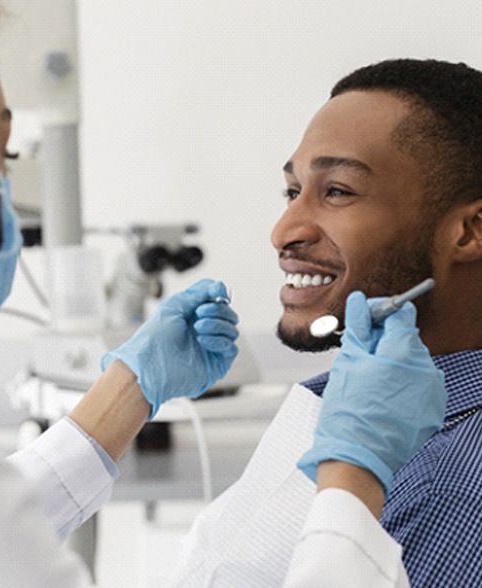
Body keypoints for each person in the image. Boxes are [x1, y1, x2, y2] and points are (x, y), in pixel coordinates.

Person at [0, 2, 449, 586]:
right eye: (3, 158)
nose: (283, 232)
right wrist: (355, 477)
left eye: (337, 190)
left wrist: (128, 390)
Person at [172, 57, 482, 587]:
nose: (284, 230)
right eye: (293, 192)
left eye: (337, 191)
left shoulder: (448, 486)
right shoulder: (354, 413)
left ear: (470, 232)